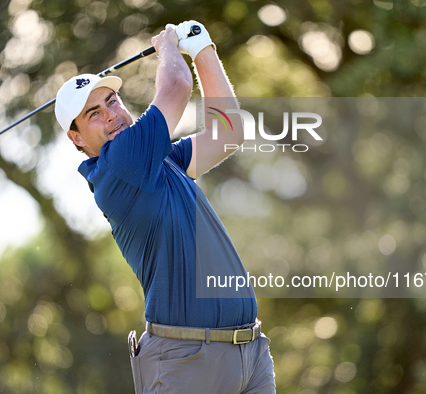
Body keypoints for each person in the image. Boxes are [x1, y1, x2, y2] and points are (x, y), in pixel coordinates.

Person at [54, 21, 275, 393]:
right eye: (94, 114)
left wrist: (204, 49)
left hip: (249, 352)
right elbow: (175, 87)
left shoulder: (161, 159)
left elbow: (228, 133)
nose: (111, 115)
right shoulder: (117, 165)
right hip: (185, 360)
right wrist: (169, 46)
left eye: (112, 102)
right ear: (76, 138)